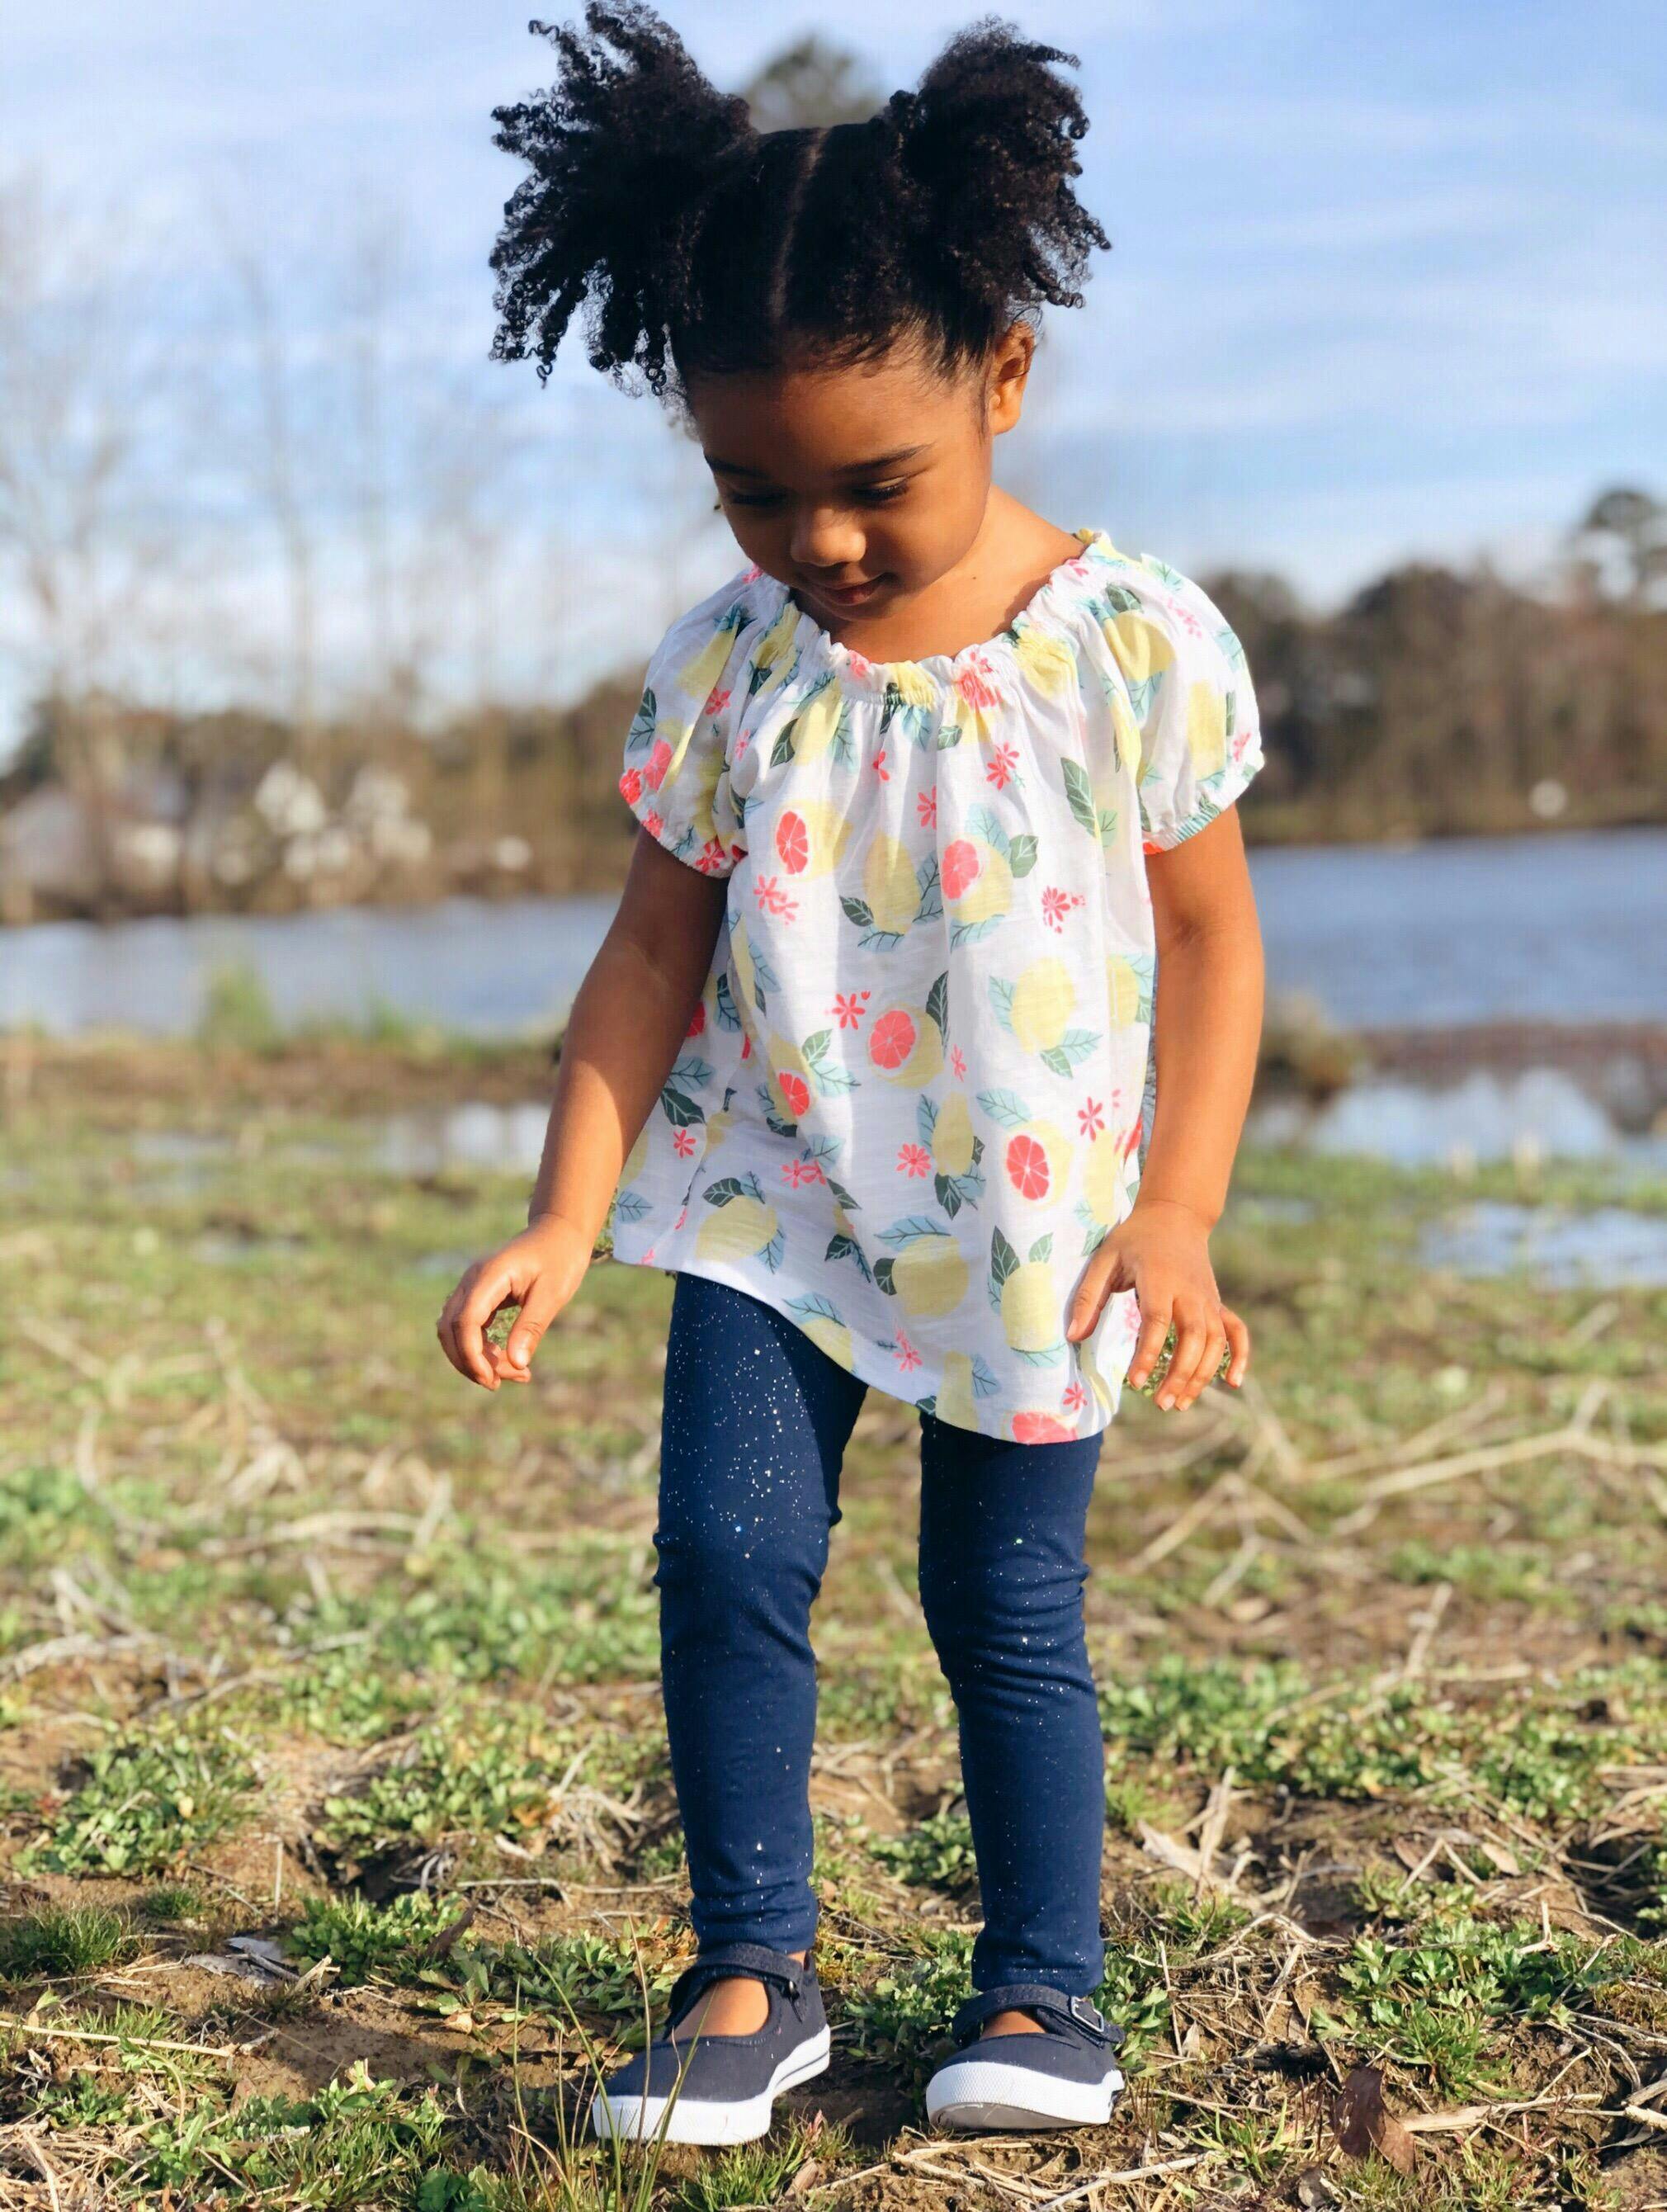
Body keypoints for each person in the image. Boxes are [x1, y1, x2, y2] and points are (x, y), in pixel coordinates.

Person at [438, 2, 1266, 2144]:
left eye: (873, 484)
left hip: (1037, 1211)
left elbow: (1208, 940)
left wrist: (1178, 1208)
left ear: (1002, 375)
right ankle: (752, 1975)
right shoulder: (728, 669)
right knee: (725, 1558)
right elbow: (650, 949)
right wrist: (563, 1210)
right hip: (765, 1191)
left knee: (1002, 1599)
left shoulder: (1125, 640)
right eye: (754, 490)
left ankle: (1041, 1993)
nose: (815, 540)